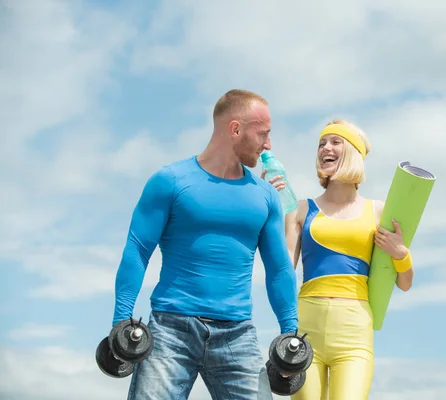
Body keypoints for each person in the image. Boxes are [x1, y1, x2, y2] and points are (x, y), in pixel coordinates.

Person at [111, 89, 299, 400]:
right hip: (171, 331)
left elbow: (279, 269)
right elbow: (137, 251)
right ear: (235, 129)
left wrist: (291, 334)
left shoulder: (265, 196)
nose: (268, 145)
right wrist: (121, 321)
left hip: (236, 336)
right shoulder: (170, 181)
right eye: (263, 134)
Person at [269, 119, 414, 400]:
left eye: (335, 142)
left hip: (354, 332)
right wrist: (269, 204)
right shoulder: (299, 210)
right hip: (305, 327)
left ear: (353, 153)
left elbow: (406, 283)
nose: (326, 148)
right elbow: (284, 271)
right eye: (322, 143)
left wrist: (401, 254)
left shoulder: (380, 212)